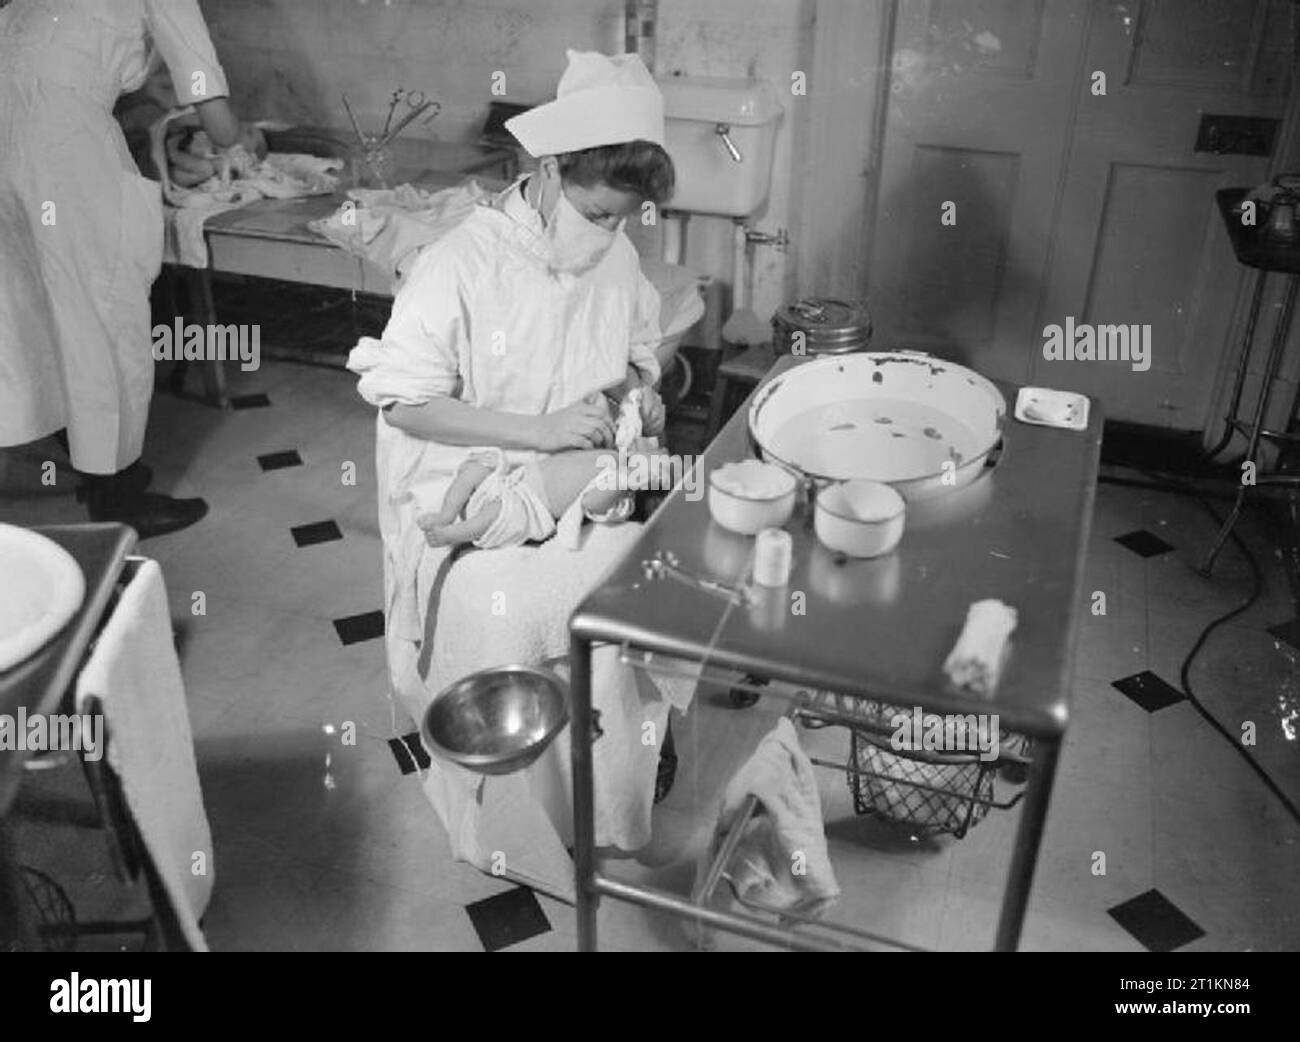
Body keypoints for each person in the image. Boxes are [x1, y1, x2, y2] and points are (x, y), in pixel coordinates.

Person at [347, 51, 682, 870]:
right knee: (501, 613)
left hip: (575, 470)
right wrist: (534, 435)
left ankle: (615, 764)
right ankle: (505, 805)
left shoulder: (619, 257)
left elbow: (639, 357)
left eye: (621, 219)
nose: (607, 233)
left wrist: (639, 403)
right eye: (597, 212)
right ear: (550, 166)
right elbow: (404, 400)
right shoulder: (461, 263)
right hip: (466, 470)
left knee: (645, 576)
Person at [0, 0, 261, 536]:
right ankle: (116, 495)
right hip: (62, 152)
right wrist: (245, 137)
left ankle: (71, 444)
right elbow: (219, 121)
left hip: (10, 141)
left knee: (29, 300)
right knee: (104, 312)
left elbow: (54, 61)